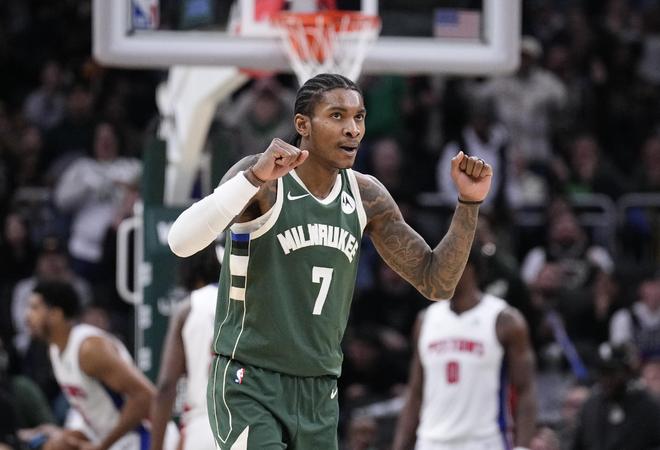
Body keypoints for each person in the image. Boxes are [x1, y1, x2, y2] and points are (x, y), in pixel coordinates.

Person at [167, 73, 493, 449]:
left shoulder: (367, 196)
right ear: (302, 125)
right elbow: (180, 242)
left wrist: (469, 204)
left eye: (359, 117)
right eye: (337, 116)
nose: (353, 129)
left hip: (319, 390)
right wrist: (253, 177)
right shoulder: (264, 179)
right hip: (250, 382)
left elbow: (437, 283)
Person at [392, 247, 537, 450]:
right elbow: (415, 393)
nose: (439, 270)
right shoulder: (425, 320)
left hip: (484, 441)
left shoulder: (504, 320)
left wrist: (523, 446)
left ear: (470, 267)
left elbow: (525, 389)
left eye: (446, 262)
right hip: (431, 441)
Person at [25, 280, 178, 450]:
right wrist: (69, 437)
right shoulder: (54, 351)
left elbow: (145, 397)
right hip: (116, 441)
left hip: (146, 438)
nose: (27, 316)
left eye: (34, 308)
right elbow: (95, 410)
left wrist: (102, 445)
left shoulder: (89, 349)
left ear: (56, 314)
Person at [150, 244, 221, 450]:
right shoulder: (249, 302)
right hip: (247, 424)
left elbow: (166, 386)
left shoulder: (188, 308)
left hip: (204, 425)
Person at [571, 343, 660, 450]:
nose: (607, 379)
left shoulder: (648, 407)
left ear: (627, 372)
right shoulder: (590, 407)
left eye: (612, 373)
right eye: (603, 372)